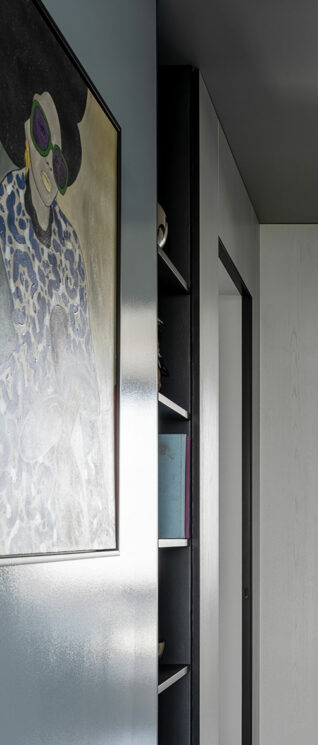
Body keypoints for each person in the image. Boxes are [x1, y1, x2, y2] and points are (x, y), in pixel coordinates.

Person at [0, 24, 114, 556]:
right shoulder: (3, 221)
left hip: (63, 478)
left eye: (60, 159)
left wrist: (71, 402)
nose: (48, 165)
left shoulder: (69, 246)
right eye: (42, 140)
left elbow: (85, 375)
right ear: (25, 134)